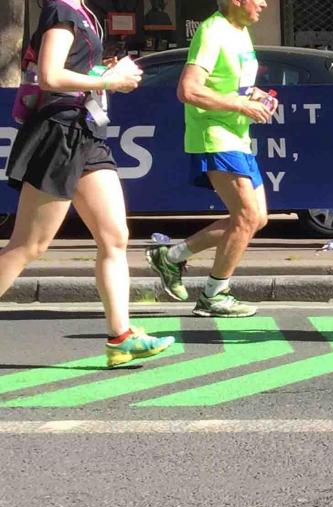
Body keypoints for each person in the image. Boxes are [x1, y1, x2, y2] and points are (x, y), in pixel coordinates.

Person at [0, 0, 174, 367]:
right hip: (59, 133)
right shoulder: (61, 12)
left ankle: (121, 337)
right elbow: (51, 76)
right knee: (29, 245)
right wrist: (108, 80)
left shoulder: (83, 12)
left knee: (115, 235)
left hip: (86, 133)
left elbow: (73, 69)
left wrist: (106, 72)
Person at [146, 0, 275, 317]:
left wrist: (254, 95)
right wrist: (241, 106)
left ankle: (171, 256)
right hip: (214, 134)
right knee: (246, 216)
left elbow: (232, 84)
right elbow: (188, 90)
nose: (264, 3)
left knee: (256, 219)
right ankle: (214, 295)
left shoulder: (240, 32)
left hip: (238, 136)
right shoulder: (211, 32)